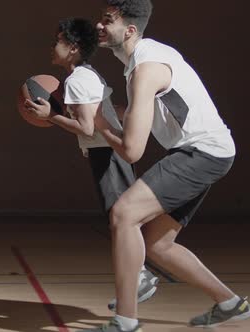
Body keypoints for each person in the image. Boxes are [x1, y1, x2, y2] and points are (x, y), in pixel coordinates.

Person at [76, 1, 250, 331]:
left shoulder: (146, 69)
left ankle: (125, 322)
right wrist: (79, 113)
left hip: (201, 153)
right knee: (157, 244)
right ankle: (230, 302)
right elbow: (133, 116)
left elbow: (132, 151)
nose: (99, 25)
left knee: (123, 214)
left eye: (108, 20)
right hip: (210, 151)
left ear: (130, 30)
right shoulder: (143, 59)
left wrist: (99, 122)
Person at [23, 17, 159, 312]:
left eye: (57, 41)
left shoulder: (78, 79)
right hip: (106, 152)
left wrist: (50, 116)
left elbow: (86, 128)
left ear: (72, 47)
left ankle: (141, 277)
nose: (52, 46)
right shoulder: (84, 75)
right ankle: (138, 278)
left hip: (106, 153)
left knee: (121, 220)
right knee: (120, 220)